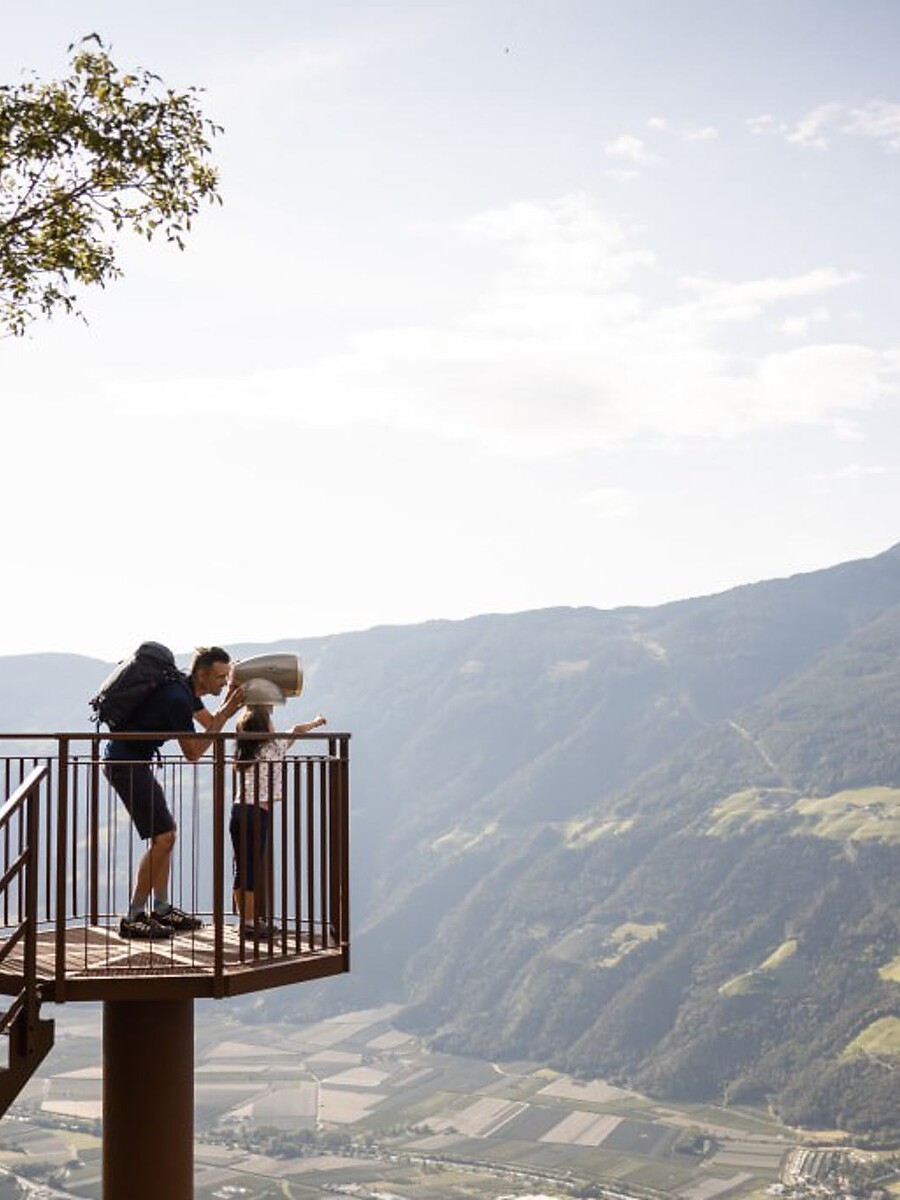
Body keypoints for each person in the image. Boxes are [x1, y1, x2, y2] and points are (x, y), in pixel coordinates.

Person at [104, 646, 244, 939]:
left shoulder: (185, 690)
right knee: (165, 837)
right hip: (126, 764)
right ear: (202, 674)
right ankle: (134, 916)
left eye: (226, 677)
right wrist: (225, 713)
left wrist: (229, 703)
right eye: (220, 677)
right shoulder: (177, 697)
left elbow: (209, 724)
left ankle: (162, 909)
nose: (223, 682)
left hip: (132, 761)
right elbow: (193, 752)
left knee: (165, 835)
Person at [232, 704, 327, 937]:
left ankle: (244, 920)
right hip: (257, 814)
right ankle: (251, 924)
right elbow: (296, 730)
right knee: (252, 867)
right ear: (265, 727)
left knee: (241, 866)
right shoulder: (274, 746)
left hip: (237, 812)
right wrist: (315, 722)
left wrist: (250, 707)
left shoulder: (244, 751)